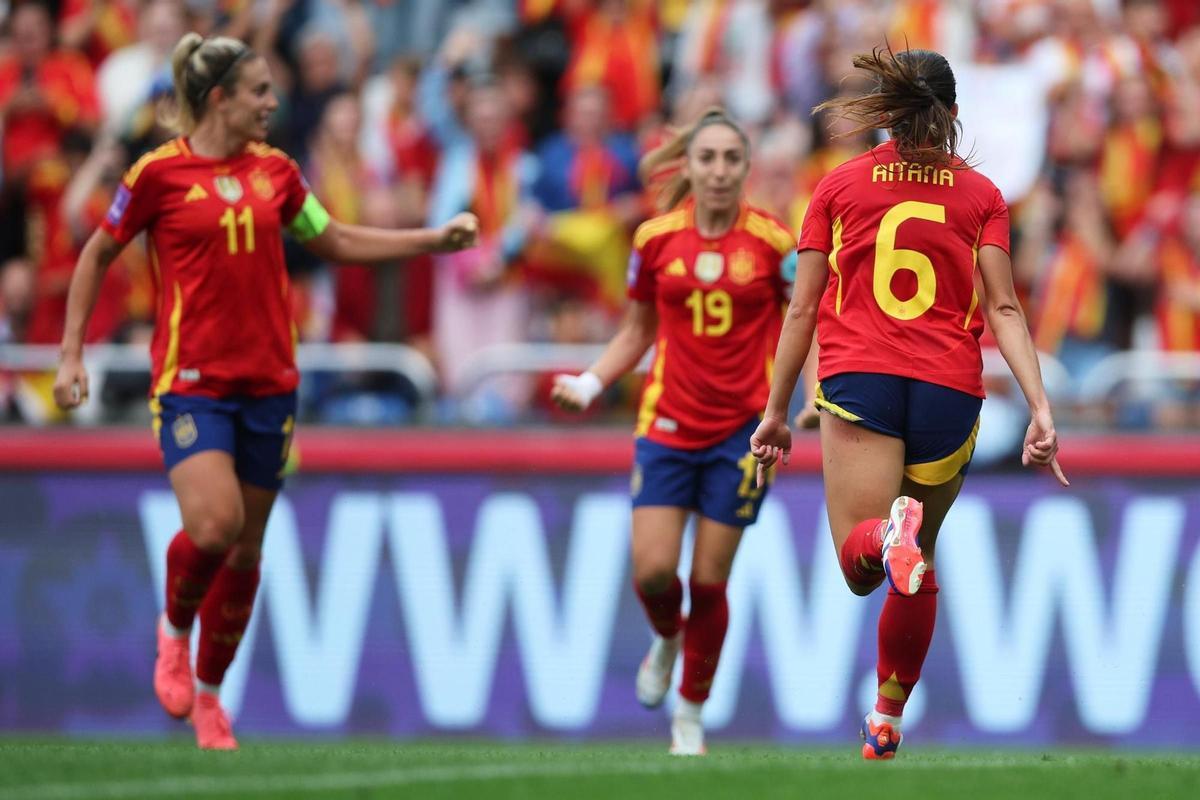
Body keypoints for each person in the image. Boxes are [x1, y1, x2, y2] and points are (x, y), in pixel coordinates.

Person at [52, 32, 478, 750]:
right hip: (192, 385)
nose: (273, 104)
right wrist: (71, 355)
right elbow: (97, 251)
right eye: (259, 92)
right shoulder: (158, 174)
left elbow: (333, 239)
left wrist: (429, 239)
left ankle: (213, 698)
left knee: (246, 553)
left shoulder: (277, 173)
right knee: (213, 527)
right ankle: (173, 629)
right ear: (220, 99)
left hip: (271, 386)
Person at [750, 47, 1069, 761]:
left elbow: (801, 311)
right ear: (955, 113)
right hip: (950, 392)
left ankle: (888, 532)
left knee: (862, 562)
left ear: (889, 116)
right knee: (917, 564)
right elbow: (1006, 307)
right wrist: (1040, 406)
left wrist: (775, 411)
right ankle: (887, 719)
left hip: (862, 379)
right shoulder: (982, 195)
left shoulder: (838, 187)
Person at [552, 108, 796, 755]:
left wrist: (809, 397)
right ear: (687, 166)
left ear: (747, 169)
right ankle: (667, 637)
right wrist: (590, 381)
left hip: (742, 435)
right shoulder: (655, 239)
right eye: (707, 158)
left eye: (731, 160)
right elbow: (636, 330)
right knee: (656, 572)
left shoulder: (775, 244)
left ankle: (690, 714)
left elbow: (807, 323)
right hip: (666, 424)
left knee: (711, 581)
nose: (718, 171)